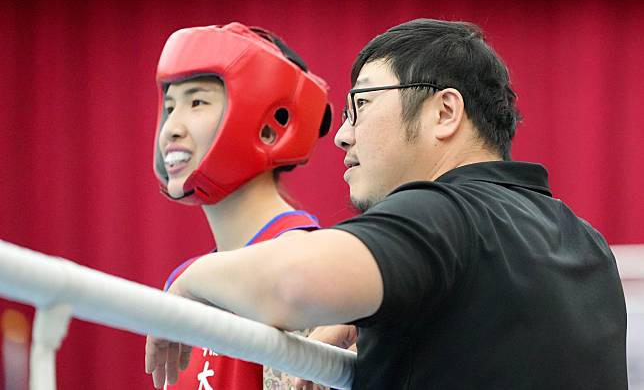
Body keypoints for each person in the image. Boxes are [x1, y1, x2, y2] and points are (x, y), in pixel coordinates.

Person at [146, 19, 628, 389]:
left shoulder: (444, 214)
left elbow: (292, 285)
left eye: (363, 104)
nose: (341, 135)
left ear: (445, 112)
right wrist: (374, 311)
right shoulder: (584, 242)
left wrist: (189, 283)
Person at [147, 22, 333, 390]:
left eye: (197, 102)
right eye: (170, 106)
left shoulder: (303, 274)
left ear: (269, 127)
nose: (171, 128)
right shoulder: (189, 282)